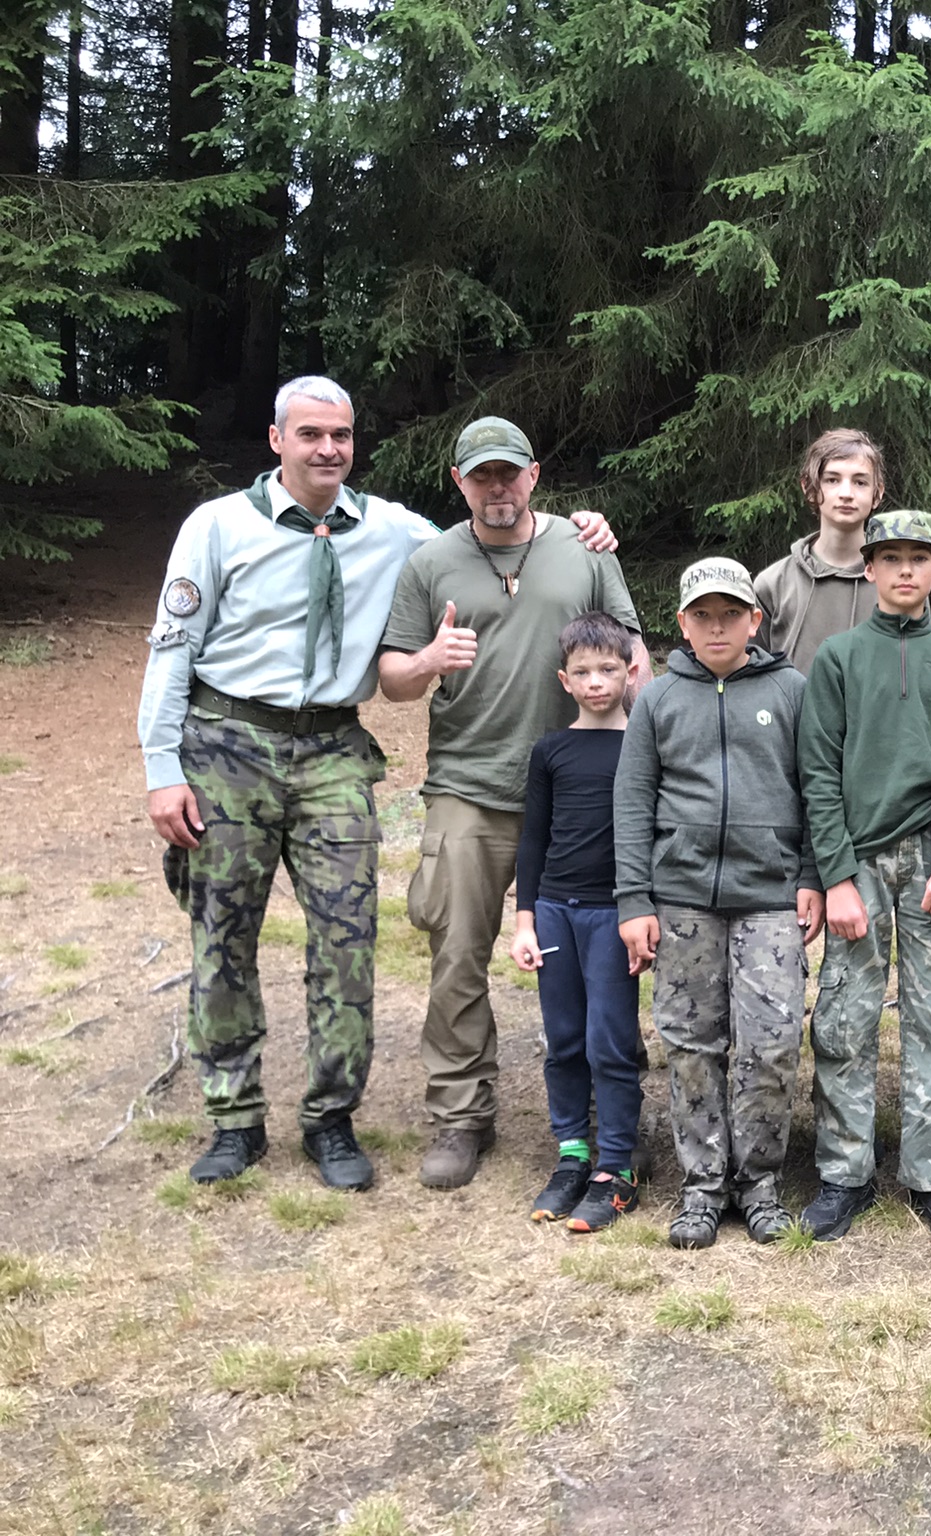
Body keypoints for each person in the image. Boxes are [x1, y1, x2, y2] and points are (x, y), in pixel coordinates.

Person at [138, 377, 615, 1191]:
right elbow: (171, 649)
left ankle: (331, 1119)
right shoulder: (216, 527)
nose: (328, 449)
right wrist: (162, 771)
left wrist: (582, 527)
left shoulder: (392, 529)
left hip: (331, 747)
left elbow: (494, 533)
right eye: (310, 434)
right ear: (277, 439)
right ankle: (234, 1118)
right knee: (224, 937)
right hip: (227, 743)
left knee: (347, 940)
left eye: (342, 435)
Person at [378, 416, 646, 1191]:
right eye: (481, 476)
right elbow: (392, 678)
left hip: (581, 790)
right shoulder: (430, 563)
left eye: (509, 473)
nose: (497, 487)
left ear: (533, 475)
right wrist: (430, 659)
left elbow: (632, 654)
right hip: (471, 785)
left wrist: (649, 752)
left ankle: (606, 1112)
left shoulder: (585, 548)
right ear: (459, 484)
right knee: (457, 952)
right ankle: (462, 1114)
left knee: (599, 954)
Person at [796, 510, 931, 1249]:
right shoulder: (839, 659)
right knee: (844, 1019)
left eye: (919, 558)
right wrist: (837, 875)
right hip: (858, 859)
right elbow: (817, 773)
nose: (905, 570)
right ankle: (844, 1172)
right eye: (891, 558)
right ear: (869, 568)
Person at [614, 558, 824, 1250]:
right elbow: (632, 803)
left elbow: (816, 786)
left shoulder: (791, 691)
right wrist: (634, 899)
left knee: (770, 1042)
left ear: (754, 620)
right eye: (702, 615)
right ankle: (703, 1185)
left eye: (730, 614)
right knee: (690, 1045)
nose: (716, 627)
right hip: (682, 900)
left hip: (770, 898)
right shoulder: (657, 700)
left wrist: (812, 873)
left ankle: (758, 1182)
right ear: (682, 623)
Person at [511, 613, 644, 1232]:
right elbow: (533, 839)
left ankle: (616, 1165)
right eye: (583, 672)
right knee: (564, 1039)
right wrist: (525, 921)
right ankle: (572, 1154)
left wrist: (645, 913)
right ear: (565, 680)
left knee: (609, 1041)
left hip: (614, 915)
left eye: (608, 670)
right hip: (555, 914)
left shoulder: (643, 747)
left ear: (630, 672)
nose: (596, 682)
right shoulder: (550, 750)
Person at [754, 429, 886, 672]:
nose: (846, 494)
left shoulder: (896, 583)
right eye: (832, 480)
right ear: (809, 487)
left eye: (860, 482)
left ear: (877, 493)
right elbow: (751, 676)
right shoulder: (773, 584)